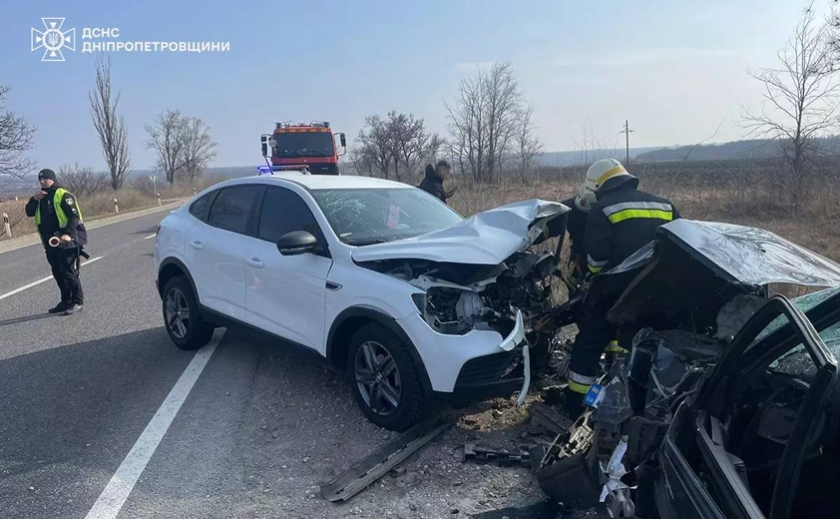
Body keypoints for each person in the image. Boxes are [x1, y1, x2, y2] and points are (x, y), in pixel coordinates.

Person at [562, 159, 680, 417]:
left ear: (598, 186)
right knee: (640, 344)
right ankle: (636, 401)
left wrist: (593, 276)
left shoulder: (603, 209)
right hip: (655, 294)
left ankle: (575, 405)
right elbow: (681, 245)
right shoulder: (664, 205)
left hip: (614, 293)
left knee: (590, 342)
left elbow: (596, 261)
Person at [25, 168, 89, 315]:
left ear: (52, 179)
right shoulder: (41, 197)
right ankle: (66, 301)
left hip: (67, 240)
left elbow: (74, 216)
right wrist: (34, 199)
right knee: (57, 272)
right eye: (40, 179)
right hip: (50, 242)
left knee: (68, 271)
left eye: (45, 178)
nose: (42, 181)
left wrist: (68, 234)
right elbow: (29, 212)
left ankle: (77, 301)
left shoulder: (63, 194)